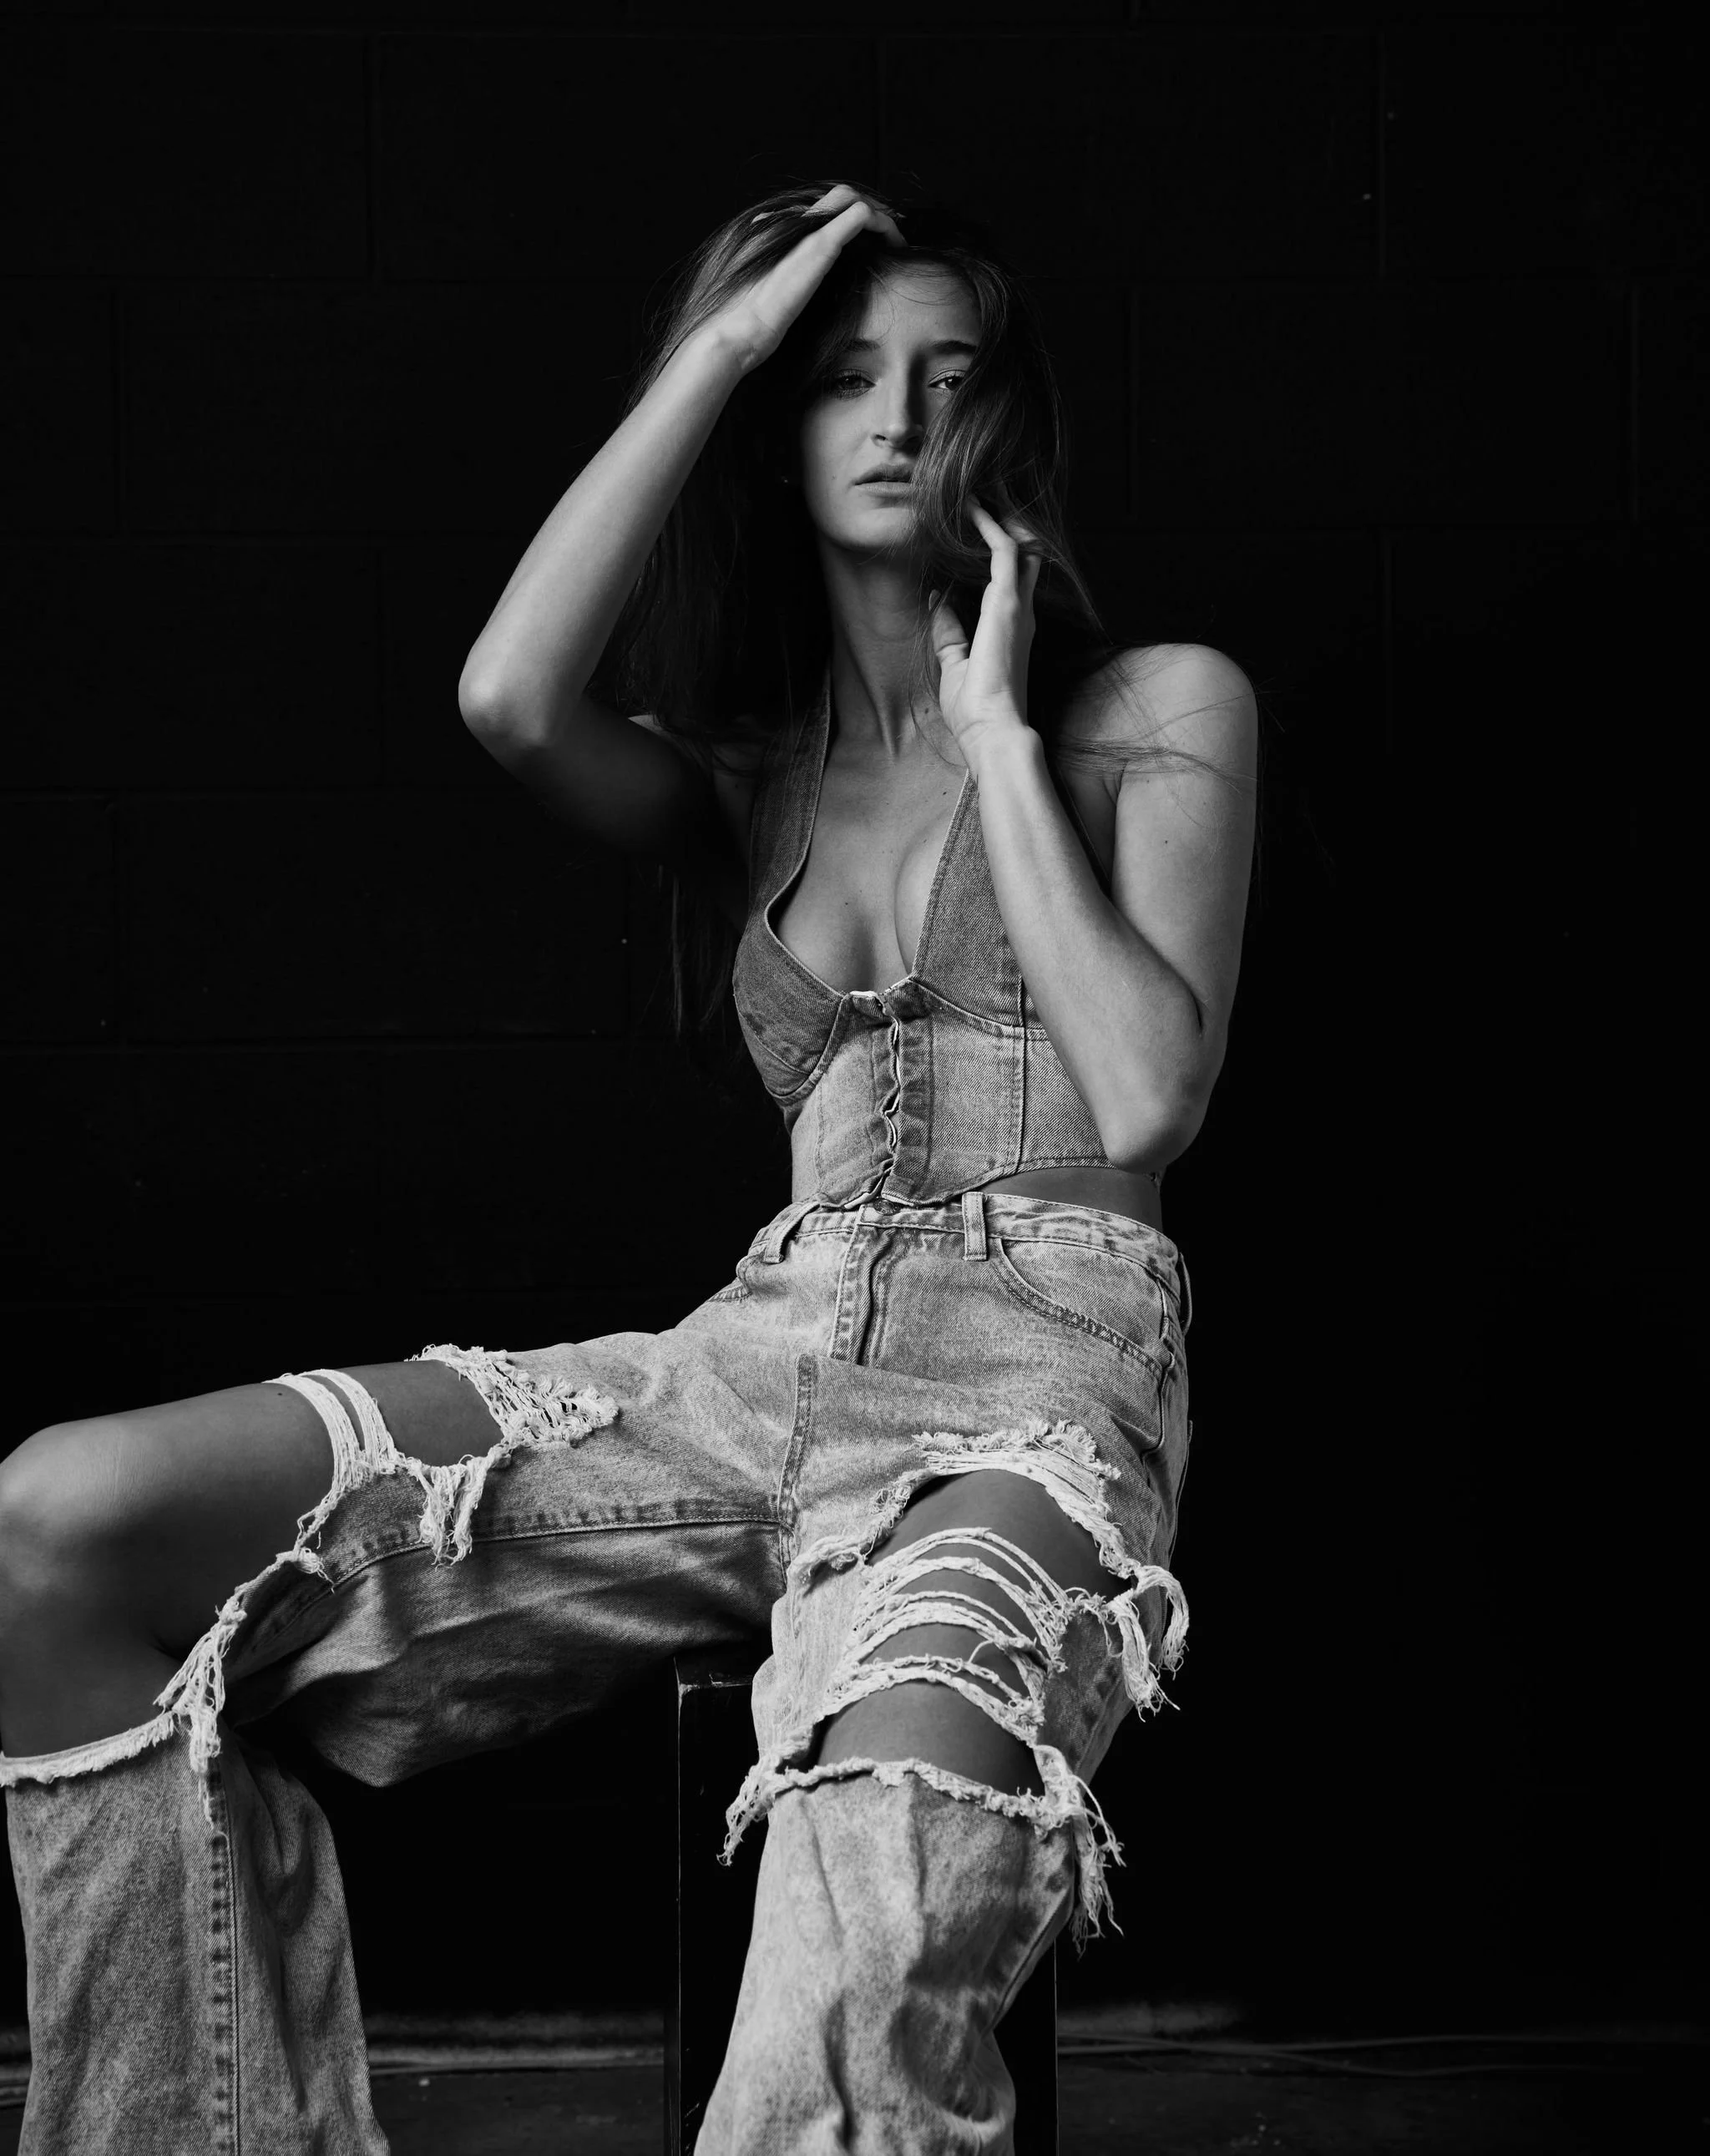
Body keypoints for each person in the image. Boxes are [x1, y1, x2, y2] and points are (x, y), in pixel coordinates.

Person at [0, 180, 1257, 2153]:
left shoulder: (1150, 713)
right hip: (748, 1366)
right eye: (841, 374)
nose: (896, 416)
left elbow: (1149, 1095)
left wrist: (997, 736)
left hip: (1032, 1396)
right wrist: (719, 349)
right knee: (58, 1520)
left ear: (1002, 421)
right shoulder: (751, 770)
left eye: (942, 376)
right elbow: (506, 696)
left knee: (876, 1854)